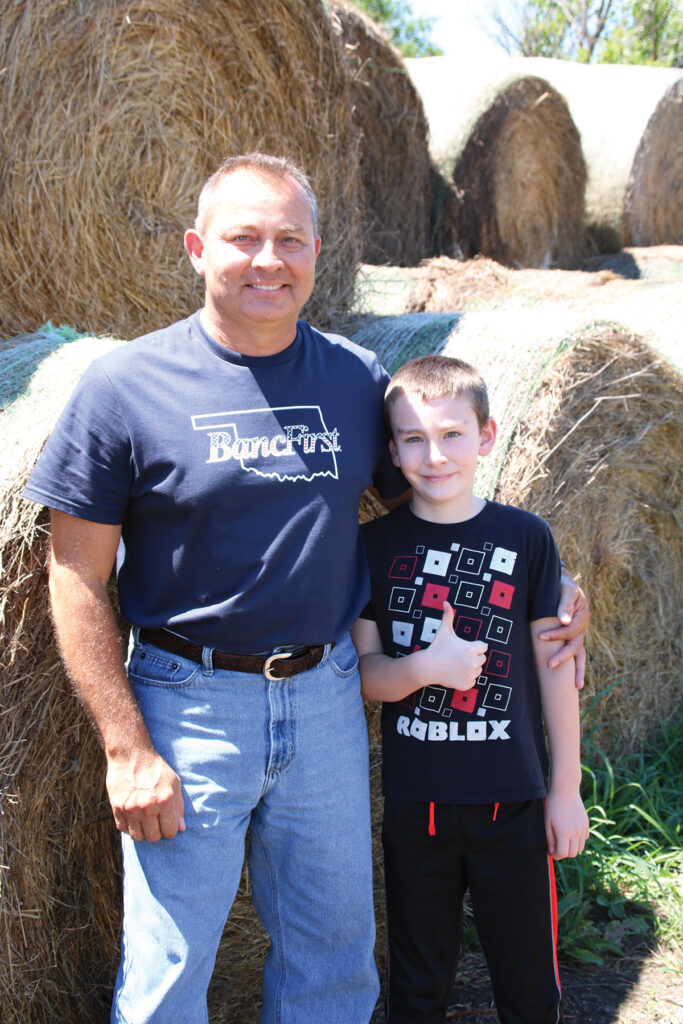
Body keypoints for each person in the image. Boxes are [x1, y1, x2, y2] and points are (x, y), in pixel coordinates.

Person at [23, 154, 588, 1024]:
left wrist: (546, 579)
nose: (268, 260)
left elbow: (434, 504)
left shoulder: (352, 378)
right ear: (195, 248)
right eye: (243, 238)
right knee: (169, 970)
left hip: (325, 698)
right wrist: (126, 747)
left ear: (316, 253)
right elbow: (76, 575)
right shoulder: (124, 388)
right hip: (188, 702)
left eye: (289, 239)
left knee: (333, 965)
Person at [352, 354, 590, 1024]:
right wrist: (426, 668)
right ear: (392, 450)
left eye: (452, 434)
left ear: (485, 437)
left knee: (529, 986)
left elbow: (555, 667)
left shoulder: (525, 537)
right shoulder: (371, 547)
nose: (434, 455)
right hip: (416, 806)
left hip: (511, 803)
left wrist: (563, 789)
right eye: (414, 439)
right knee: (418, 986)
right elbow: (366, 675)